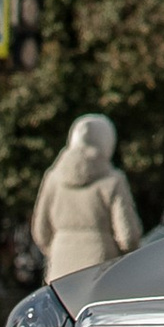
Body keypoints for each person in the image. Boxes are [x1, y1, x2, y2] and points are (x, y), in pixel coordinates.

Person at [29, 116, 145, 287]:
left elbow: (40, 231)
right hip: (101, 270)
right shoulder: (113, 180)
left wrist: (58, 250)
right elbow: (127, 237)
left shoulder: (53, 178)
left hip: (59, 272)